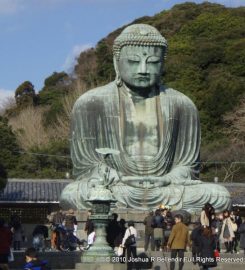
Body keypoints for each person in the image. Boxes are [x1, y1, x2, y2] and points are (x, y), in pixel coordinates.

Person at [60, 23, 230, 213]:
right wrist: (115, 176)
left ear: (162, 64)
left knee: (219, 195)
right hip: (117, 187)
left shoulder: (182, 104)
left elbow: (188, 166)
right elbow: (87, 166)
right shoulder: (90, 103)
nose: (143, 69)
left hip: (165, 188)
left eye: (152, 62)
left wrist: (169, 178)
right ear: (117, 62)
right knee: (72, 193)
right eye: (133, 61)